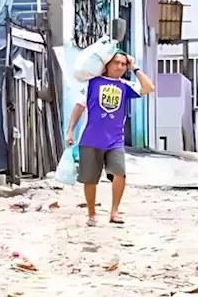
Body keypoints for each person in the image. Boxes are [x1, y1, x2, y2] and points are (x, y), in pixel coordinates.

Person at [65, 51, 155, 226]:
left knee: (120, 174)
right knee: (90, 179)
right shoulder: (91, 84)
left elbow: (149, 87)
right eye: (116, 63)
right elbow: (78, 107)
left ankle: (114, 212)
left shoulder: (124, 86)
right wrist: (70, 131)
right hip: (90, 138)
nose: (120, 67)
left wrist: (134, 67)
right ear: (106, 64)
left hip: (115, 140)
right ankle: (91, 213)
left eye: (123, 64)